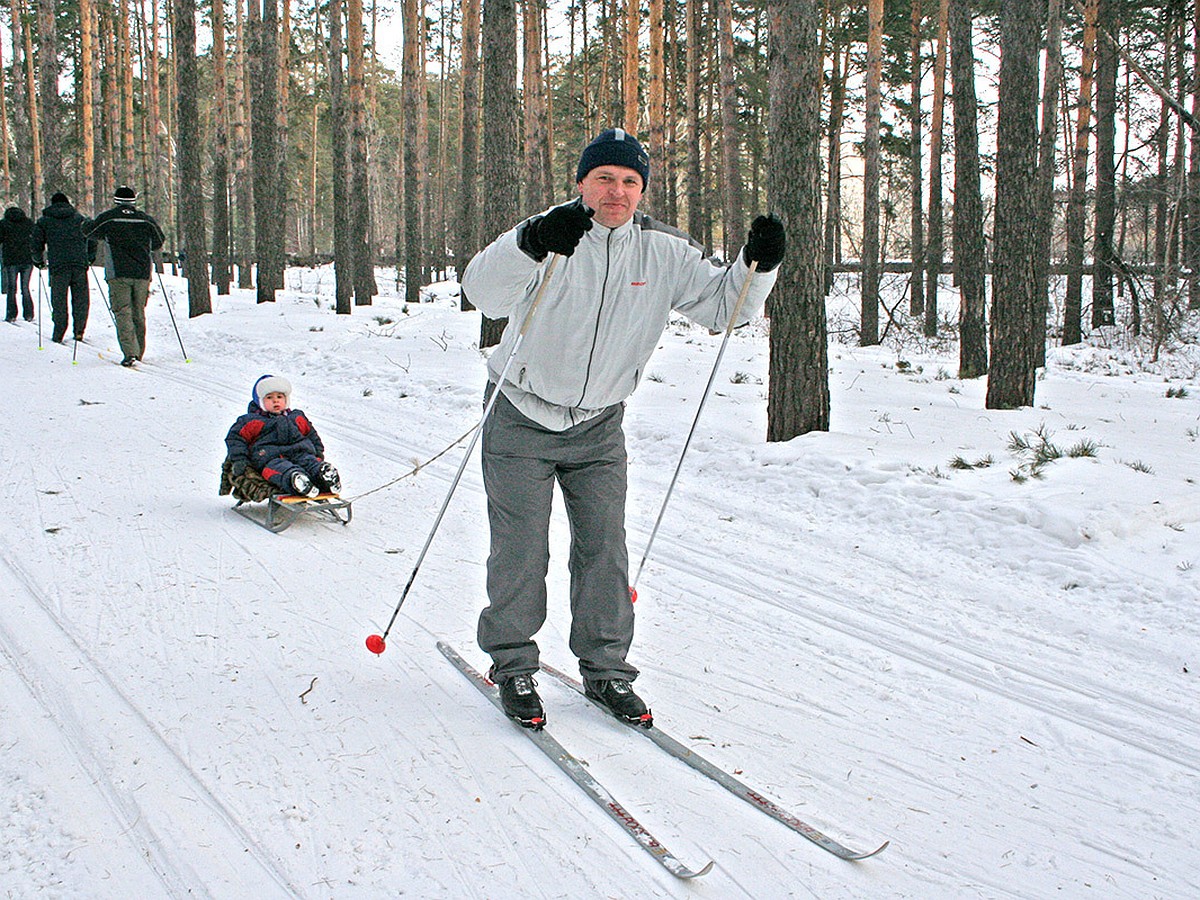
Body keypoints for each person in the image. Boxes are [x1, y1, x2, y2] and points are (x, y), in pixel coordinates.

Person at [461, 127, 786, 729]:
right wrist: (528, 243)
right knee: (521, 550)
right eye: (604, 178)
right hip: (520, 413)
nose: (617, 191)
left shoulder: (663, 249)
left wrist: (756, 265)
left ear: (641, 191)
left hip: (599, 425)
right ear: (581, 182)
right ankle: (512, 664)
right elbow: (482, 293)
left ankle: (606, 668)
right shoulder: (551, 232)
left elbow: (725, 309)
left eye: (629, 181)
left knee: (605, 550)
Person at [82, 185, 165, 366]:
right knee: (138, 312)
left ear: (116, 201)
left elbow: (89, 232)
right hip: (142, 272)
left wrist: (86, 222)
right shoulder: (146, 220)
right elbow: (158, 242)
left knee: (122, 312)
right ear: (134, 201)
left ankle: (130, 352)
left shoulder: (109, 218)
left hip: (118, 273)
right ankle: (139, 351)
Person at [224, 375, 342, 498]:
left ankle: (325, 476)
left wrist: (318, 452)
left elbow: (311, 434)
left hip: (300, 453)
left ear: (286, 400)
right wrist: (240, 460)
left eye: (279, 397)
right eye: (269, 398)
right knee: (281, 469)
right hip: (269, 457)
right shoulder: (251, 420)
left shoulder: (296, 417)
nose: (275, 401)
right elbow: (236, 439)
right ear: (260, 401)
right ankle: (297, 481)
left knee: (310, 462)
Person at [30, 191, 96, 342]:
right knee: (81, 300)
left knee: (59, 300)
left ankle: (59, 331)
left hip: (58, 266)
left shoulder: (44, 221)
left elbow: (36, 244)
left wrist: (38, 261)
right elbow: (92, 238)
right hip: (79, 265)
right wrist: (90, 257)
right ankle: (79, 330)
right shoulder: (79, 219)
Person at [0, 206, 35, 322]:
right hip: (27, 259)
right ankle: (29, 314)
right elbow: (35, 237)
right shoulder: (28, 223)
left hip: (11, 260)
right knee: (25, 287)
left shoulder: (3, 224)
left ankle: (11, 314)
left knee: (11, 287)